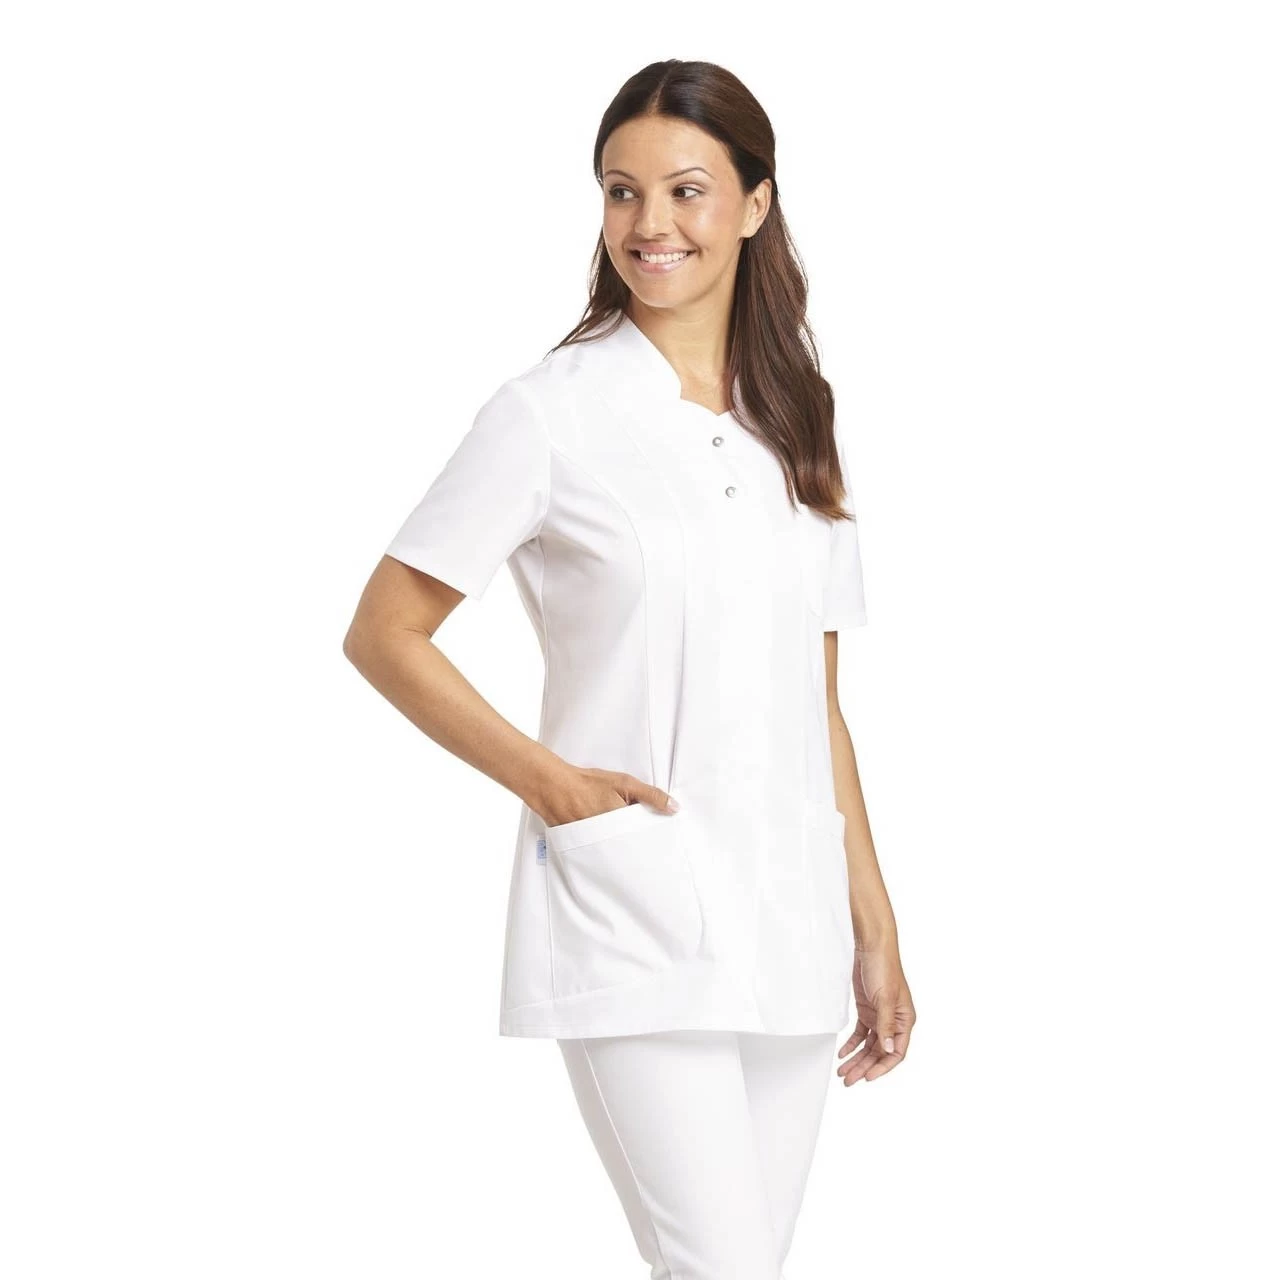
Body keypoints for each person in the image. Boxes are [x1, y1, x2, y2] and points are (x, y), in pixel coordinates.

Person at [344, 58, 915, 1280]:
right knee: (720, 1266)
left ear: (754, 202)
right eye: (621, 191)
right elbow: (384, 630)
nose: (649, 223)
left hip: (791, 914)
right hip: (633, 906)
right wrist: (551, 784)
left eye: (686, 189)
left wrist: (873, 923)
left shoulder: (796, 414)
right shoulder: (550, 411)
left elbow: (817, 701)